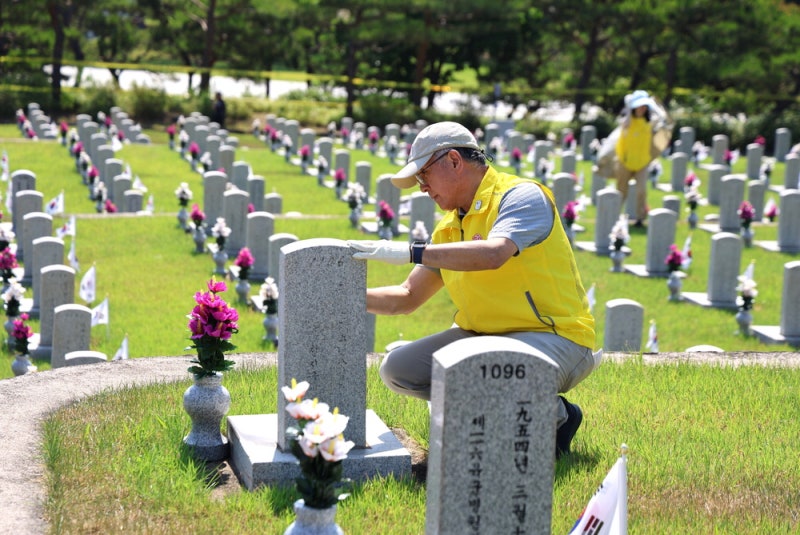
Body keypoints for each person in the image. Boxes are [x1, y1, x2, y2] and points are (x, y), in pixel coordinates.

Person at [349, 121, 600, 459]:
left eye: (424, 176)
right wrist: (344, 296)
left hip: (556, 338)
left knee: (483, 371)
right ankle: (501, 409)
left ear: (454, 160)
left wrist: (409, 251)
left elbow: (494, 253)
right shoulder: (450, 226)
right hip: (483, 338)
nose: (422, 188)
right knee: (398, 370)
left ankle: (557, 416)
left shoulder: (521, 195)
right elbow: (407, 297)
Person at [613, 89, 666, 227]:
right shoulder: (627, 121)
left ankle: (640, 218)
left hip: (642, 162)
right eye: (639, 106)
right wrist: (630, 108)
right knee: (621, 191)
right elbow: (625, 123)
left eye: (644, 106)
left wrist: (653, 104)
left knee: (641, 191)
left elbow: (662, 118)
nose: (642, 109)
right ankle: (615, 217)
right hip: (625, 162)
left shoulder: (649, 122)